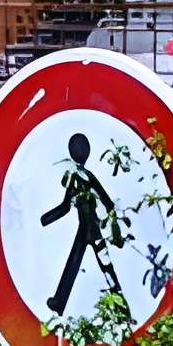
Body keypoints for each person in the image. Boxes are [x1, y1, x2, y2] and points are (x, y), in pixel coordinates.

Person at [41, 132, 127, 324]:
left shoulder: (78, 177)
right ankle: (60, 302)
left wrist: (45, 219)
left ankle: (120, 306)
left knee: (100, 266)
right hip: (89, 228)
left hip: (90, 229)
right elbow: (105, 201)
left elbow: (66, 207)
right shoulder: (86, 176)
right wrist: (45, 219)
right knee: (98, 266)